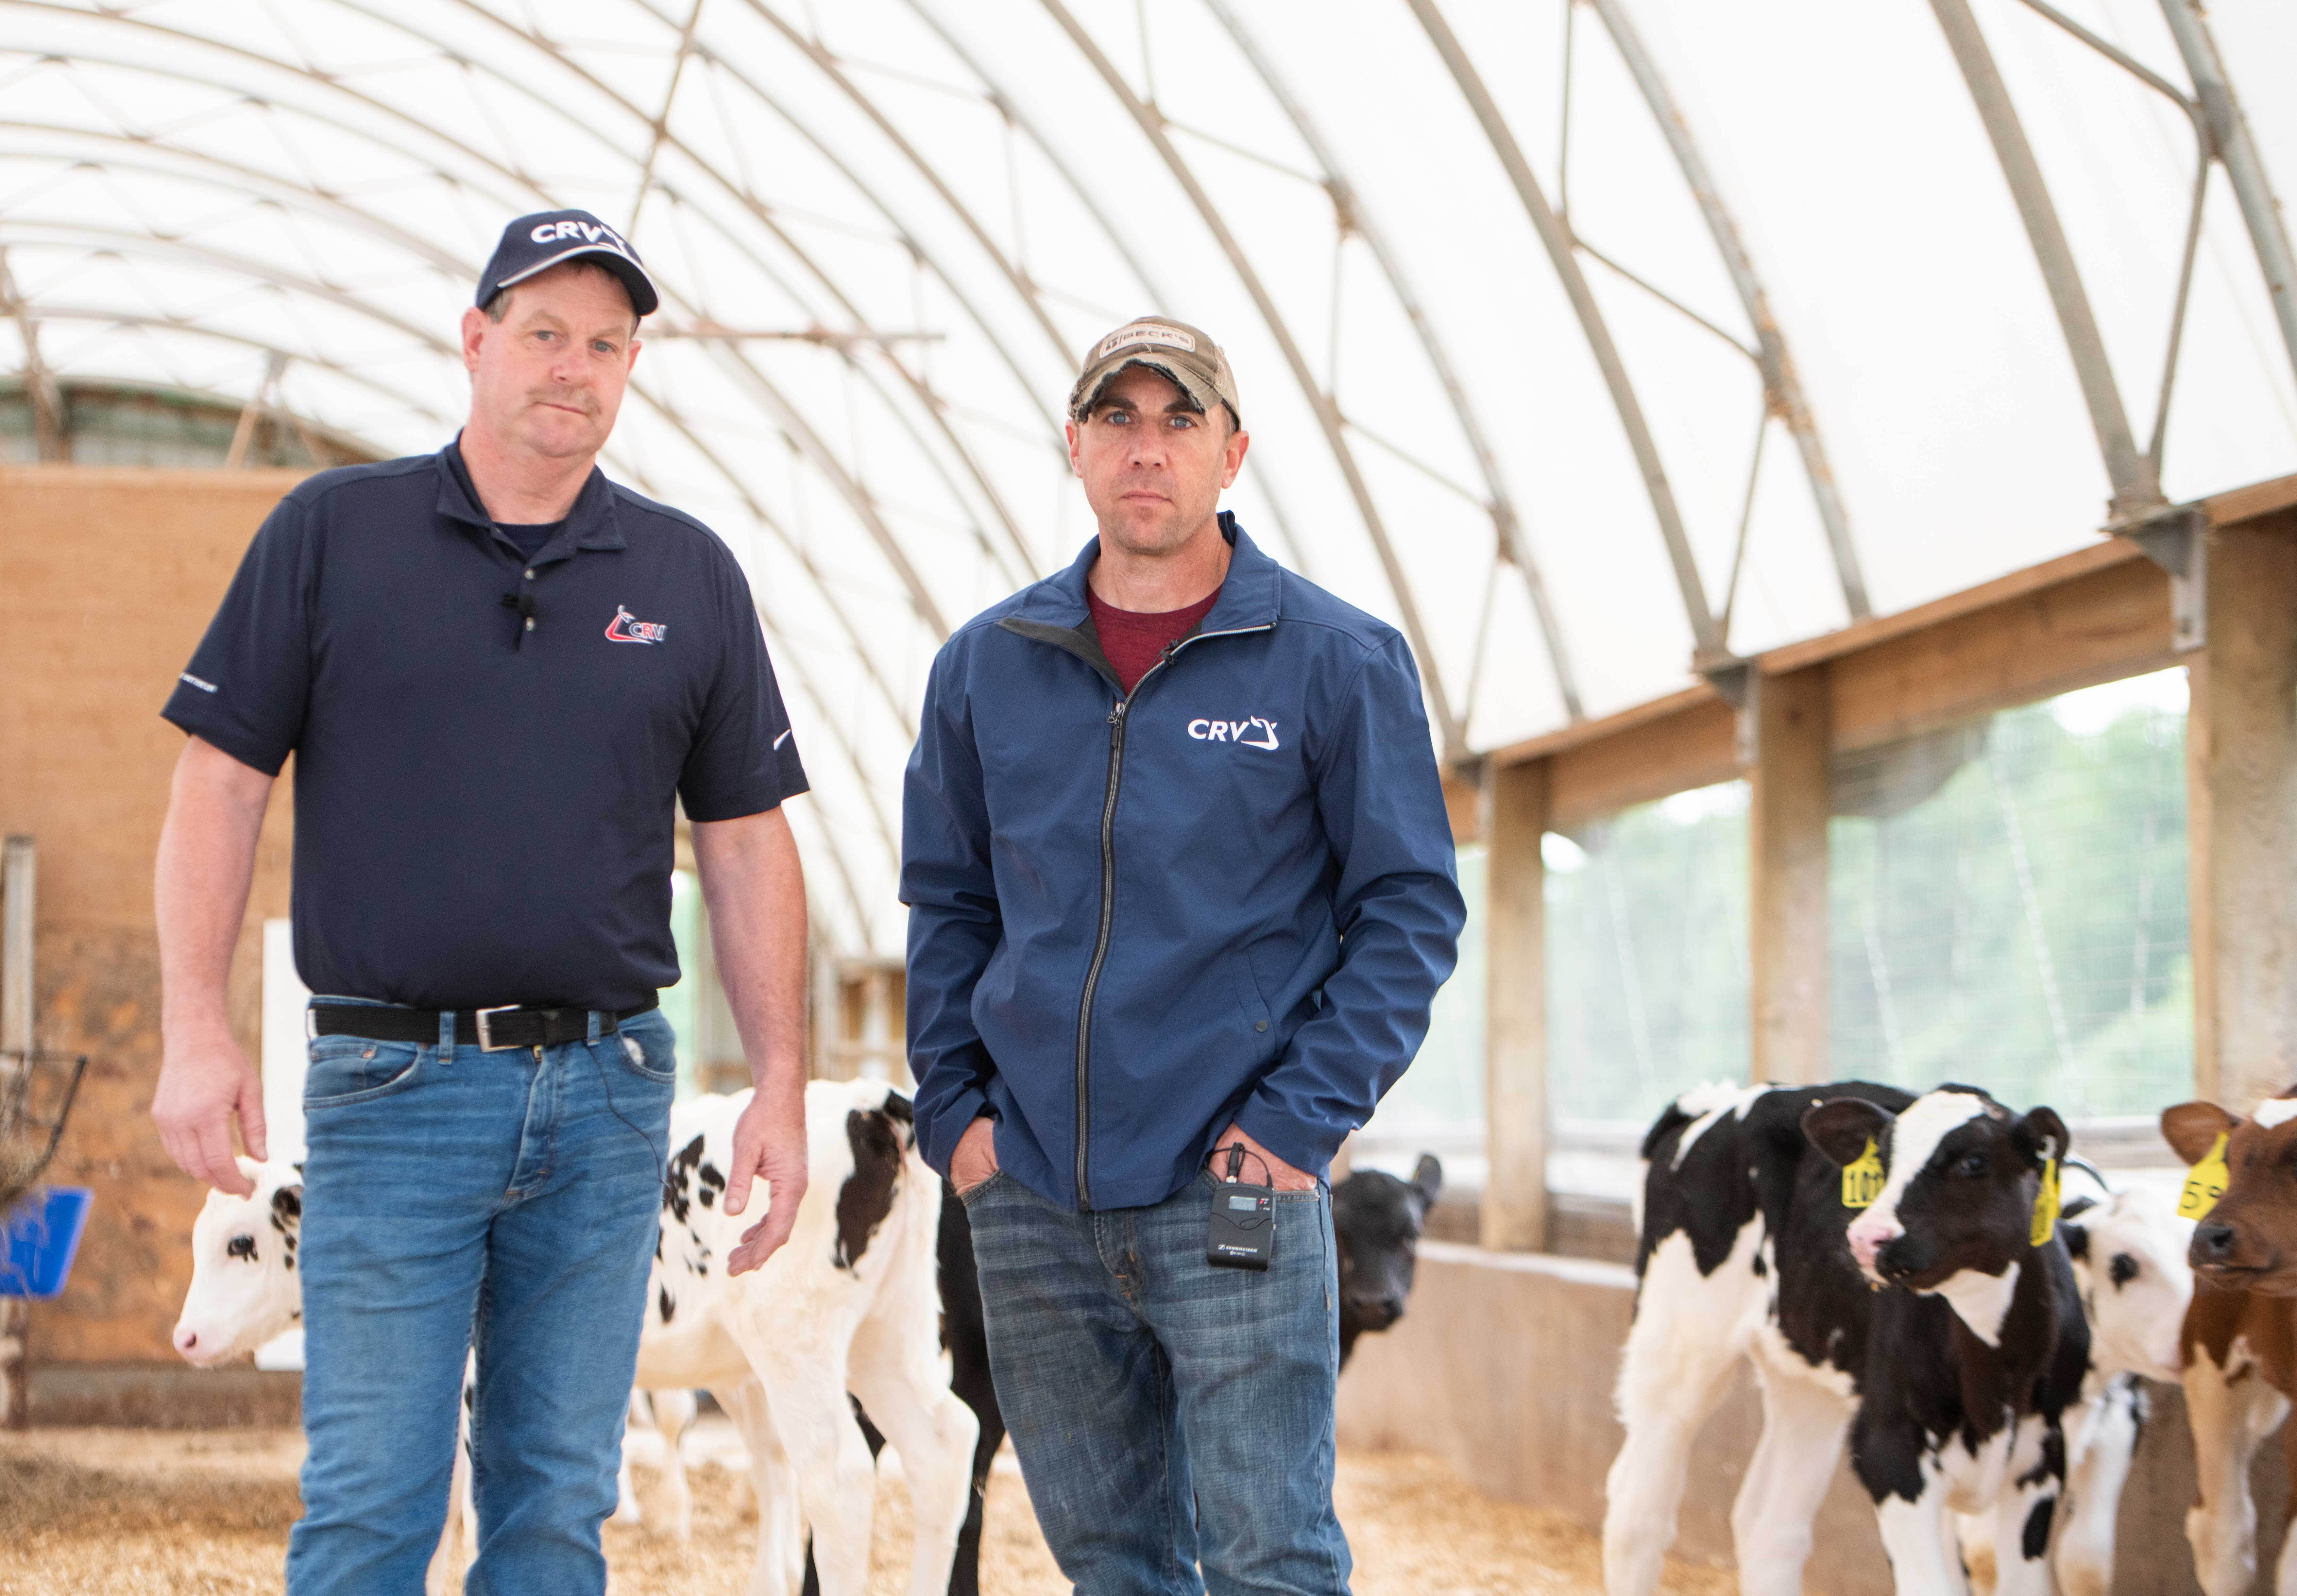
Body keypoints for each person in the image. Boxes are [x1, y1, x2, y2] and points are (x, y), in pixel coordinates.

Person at [150, 209, 811, 1594]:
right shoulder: (333, 532)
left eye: (606, 344)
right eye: (543, 333)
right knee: (372, 1511)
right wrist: (194, 1034)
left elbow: (745, 843)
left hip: (611, 1091)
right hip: (392, 1090)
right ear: (474, 340)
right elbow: (217, 788)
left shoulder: (688, 574)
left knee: (556, 1512)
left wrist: (783, 1087)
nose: (573, 367)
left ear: (632, 367)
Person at [902, 316, 1465, 1594]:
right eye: (1116, 419)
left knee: (1268, 1556)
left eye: (1176, 421)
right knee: (1109, 1561)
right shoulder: (985, 667)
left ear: (1232, 452)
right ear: (1073, 446)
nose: (1143, 449)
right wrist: (960, 1125)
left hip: (1238, 1186)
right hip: (1030, 1192)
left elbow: (1407, 911)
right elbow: (945, 904)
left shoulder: (1334, 659)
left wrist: (1292, 1128)